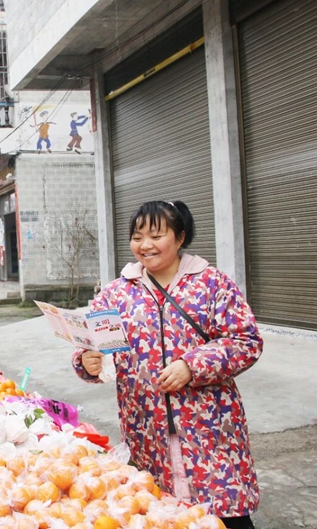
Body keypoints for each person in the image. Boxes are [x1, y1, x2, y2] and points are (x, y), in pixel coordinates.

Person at [72, 200, 262, 528]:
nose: (145, 245)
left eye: (156, 235)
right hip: (146, 428)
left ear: (180, 237)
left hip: (209, 426)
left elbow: (246, 341)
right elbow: (93, 344)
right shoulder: (116, 294)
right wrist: (86, 361)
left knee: (224, 515)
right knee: (161, 513)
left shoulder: (212, 284)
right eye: (137, 236)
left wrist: (192, 366)